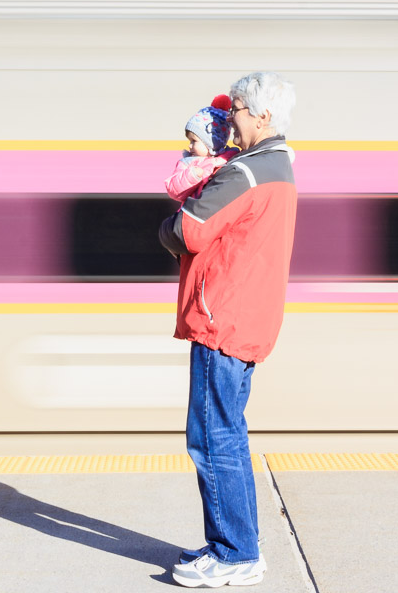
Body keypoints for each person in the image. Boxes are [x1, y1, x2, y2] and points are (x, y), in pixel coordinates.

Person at [158, 71, 297, 588]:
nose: (228, 119)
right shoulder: (279, 167)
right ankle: (235, 543)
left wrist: (166, 225)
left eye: (236, 109)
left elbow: (186, 231)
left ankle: (236, 554)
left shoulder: (245, 173)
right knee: (226, 434)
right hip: (247, 315)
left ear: (262, 116)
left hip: (223, 319)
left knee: (213, 439)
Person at [164, 95, 240, 203]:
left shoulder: (229, 159)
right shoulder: (188, 163)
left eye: (194, 141)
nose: (190, 146)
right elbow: (173, 189)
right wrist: (192, 175)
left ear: (212, 143)